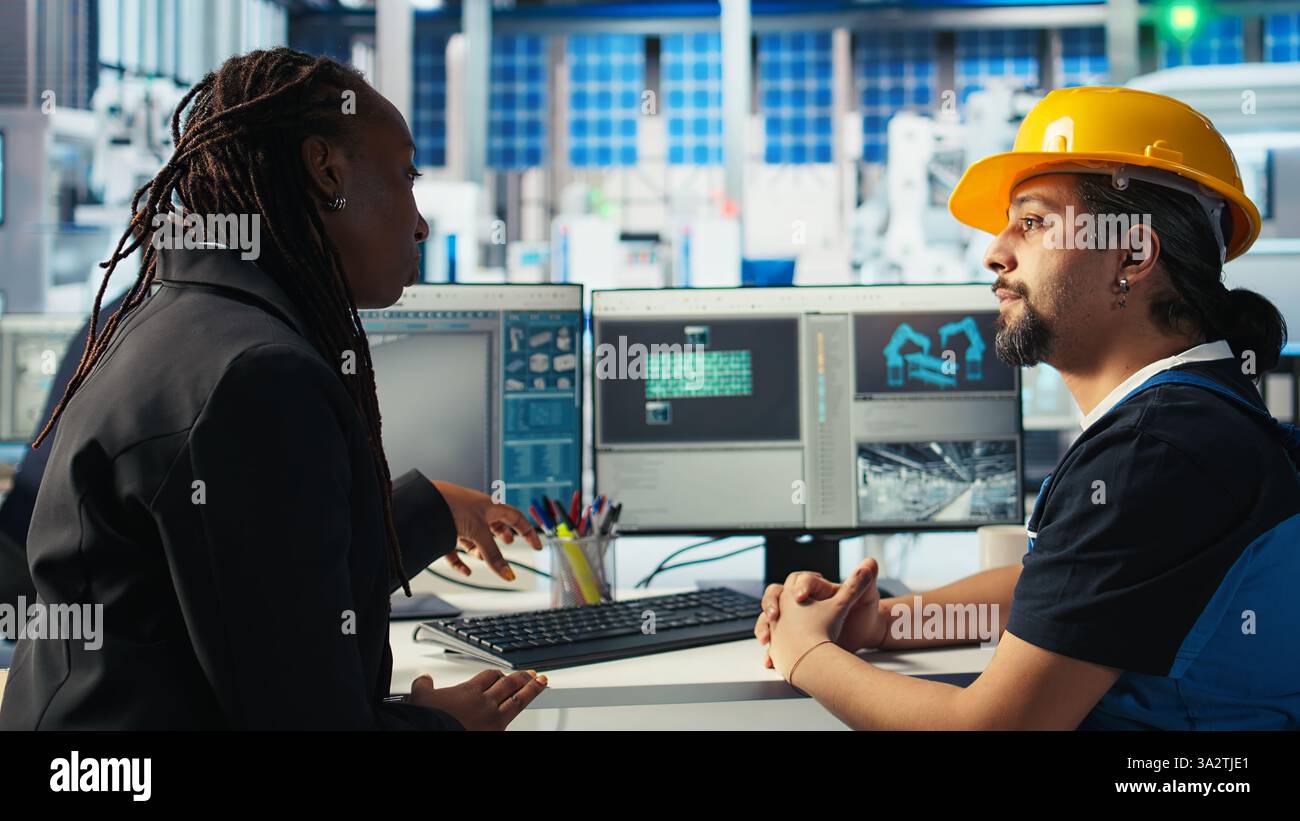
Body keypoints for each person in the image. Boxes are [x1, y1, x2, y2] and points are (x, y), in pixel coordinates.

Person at [0, 48, 546, 730]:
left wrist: (424, 510)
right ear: (327, 172)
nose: (420, 222)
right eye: (405, 175)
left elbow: (255, 571)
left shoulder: (175, 322)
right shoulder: (256, 378)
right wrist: (443, 726)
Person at [755, 86, 1300, 730]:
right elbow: (1070, 590)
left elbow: (991, 729)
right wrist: (883, 620)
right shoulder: (1195, 417)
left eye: (1033, 222)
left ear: (1133, 253)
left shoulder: (1155, 452)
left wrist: (805, 653)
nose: (994, 252)